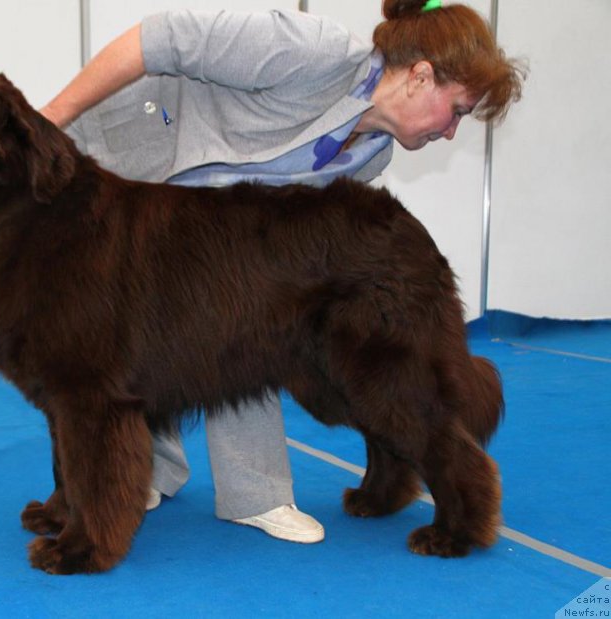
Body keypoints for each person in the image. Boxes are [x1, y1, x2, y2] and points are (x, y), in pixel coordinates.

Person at [40, 0, 524, 544]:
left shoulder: (370, 156)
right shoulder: (312, 52)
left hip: (193, 224)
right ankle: (120, 486)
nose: (453, 132)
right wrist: (50, 121)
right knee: (99, 362)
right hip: (130, 158)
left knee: (237, 330)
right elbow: (157, 39)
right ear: (420, 76)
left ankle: (236, 489)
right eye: (457, 110)